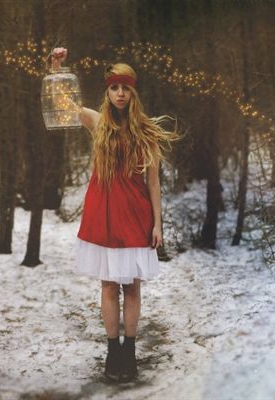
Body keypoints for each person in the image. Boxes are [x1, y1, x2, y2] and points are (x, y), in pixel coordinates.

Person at [51, 47, 178, 382]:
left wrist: (158, 224)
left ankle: (130, 352)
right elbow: (63, 105)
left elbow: (153, 182)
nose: (120, 94)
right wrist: (56, 67)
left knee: (132, 286)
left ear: (132, 92)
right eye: (114, 88)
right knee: (109, 285)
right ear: (107, 91)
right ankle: (112, 352)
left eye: (125, 88)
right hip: (103, 211)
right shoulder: (97, 122)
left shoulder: (146, 130)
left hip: (136, 213)